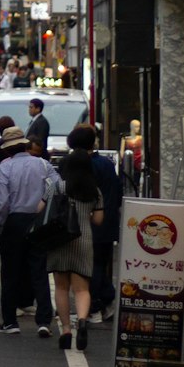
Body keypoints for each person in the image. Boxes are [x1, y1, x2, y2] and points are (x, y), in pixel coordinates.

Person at [0, 125, 54, 336]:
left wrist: (1, 226)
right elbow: (58, 185)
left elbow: (1, 203)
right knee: (39, 270)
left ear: (7, 148)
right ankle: (44, 319)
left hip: (14, 220)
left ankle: (10, 321)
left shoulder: (4, 167)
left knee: (10, 272)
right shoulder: (43, 164)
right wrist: (44, 200)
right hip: (38, 220)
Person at [49, 148, 104, 351]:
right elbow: (98, 219)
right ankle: (81, 320)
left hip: (60, 240)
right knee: (82, 289)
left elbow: (41, 208)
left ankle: (65, 330)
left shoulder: (57, 186)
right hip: (84, 241)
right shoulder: (94, 191)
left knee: (61, 288)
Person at [67, 124, 123, 323]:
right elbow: (118, 191)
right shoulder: (107, 164)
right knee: (99, 264)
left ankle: (94, 308)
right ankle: (106, 300)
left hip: (90, 222)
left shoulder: (84, 166)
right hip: (108, 222)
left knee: (90, 268)